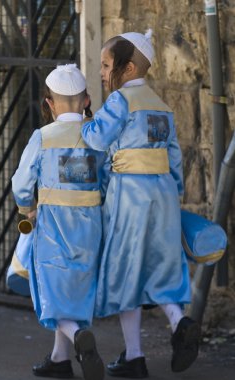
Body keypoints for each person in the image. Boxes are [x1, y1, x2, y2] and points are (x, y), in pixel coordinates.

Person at [81, 29, 201, 378]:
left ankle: (135, 356)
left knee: (125, 271)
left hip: (129, 195)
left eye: (105, 65)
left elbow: (97, 139)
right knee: (160, 267)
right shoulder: (162, 108)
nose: (102, 73)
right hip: (162, 194)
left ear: (128, 68)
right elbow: (175, 159)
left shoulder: (120, 101)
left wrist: (85, 118)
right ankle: (180, 322)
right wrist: (171, 193)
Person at [12, 64, 108, 380]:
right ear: (85, 100)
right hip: (91, 227)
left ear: (50, 103)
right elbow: (108, 182)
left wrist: (28, 208)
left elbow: (21, 182)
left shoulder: (43, 137)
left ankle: (77, 336)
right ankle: (59, 359)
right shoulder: (98, 137)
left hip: (53, 227)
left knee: (51, 291)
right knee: (76, 290)